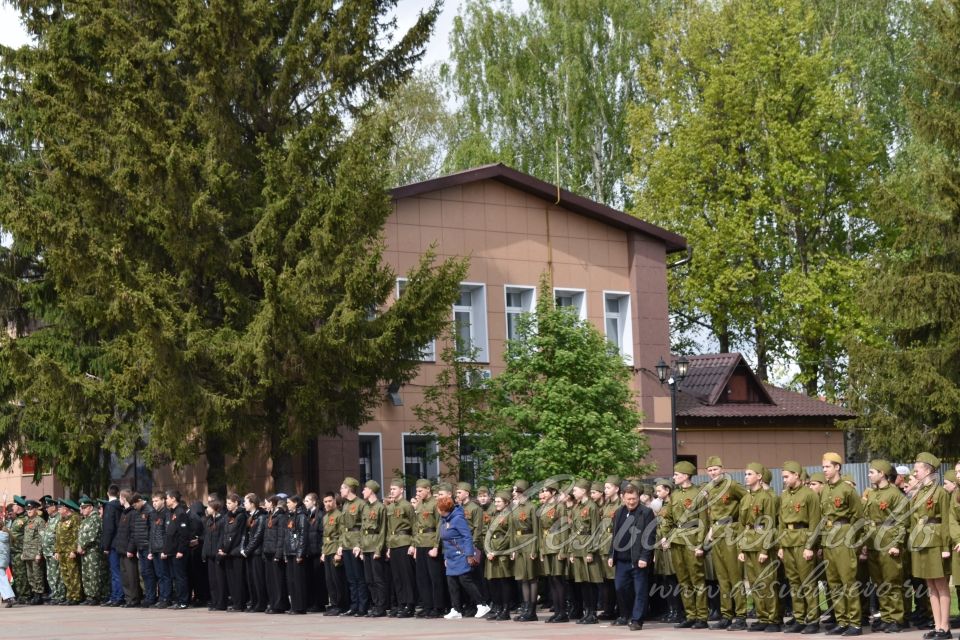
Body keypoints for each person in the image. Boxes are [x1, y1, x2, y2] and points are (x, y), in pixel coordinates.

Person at [820, 451, 864, 636]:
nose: (824, 470)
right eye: (823, 467)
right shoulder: (825, 490)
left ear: (837, 467)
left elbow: (858, 517)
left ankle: (855, 623)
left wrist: (853, 540)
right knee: (834, 583)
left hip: (844, 535)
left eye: (827, 467)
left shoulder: (847, 490)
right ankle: (842, 620)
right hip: (828, 538)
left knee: (848, 581)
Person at [700, 456, 747, 630]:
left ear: (722, 468)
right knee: (722, 578)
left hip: (731, 531)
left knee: (735, 576)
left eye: (715, 469)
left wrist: (740, 523)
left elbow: (747, 501)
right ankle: (726, 614)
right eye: (710, 470)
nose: (713, 473)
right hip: (717, 533)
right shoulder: (710, 488)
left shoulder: (732, 485)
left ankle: (741, 615)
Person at [909, 452, 952, 640]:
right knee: (930, 587)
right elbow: (912, 521)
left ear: (928, 470)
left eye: (917, 469)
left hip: (935, 543)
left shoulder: (940, 492)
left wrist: (945, 547)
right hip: (921, 543)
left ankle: (945, 627)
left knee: (941, 586)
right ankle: (937, 625)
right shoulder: (918, 493)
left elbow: (945, 522)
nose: (915, 472)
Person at [861, 459, 907, 633]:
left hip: (888, 541)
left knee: (892, 581)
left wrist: (897, 544)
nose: (869, 475)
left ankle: (896, 618)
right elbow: (866, 520)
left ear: (882, 474)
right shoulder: (871, 494)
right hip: (873, 542)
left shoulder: (895, 494)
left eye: (872, 472)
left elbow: (902, 521)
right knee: (879, 582)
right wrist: (865, 542)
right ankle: (886, 617)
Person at [777, 460, 822, 634]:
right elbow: (781, 521)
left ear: (797, 475)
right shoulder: (785, 495)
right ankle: (800, 618)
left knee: (808, 582)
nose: (785, 480)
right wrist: (781, 545)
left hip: (803, 540)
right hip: (788, 541)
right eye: (783, 477)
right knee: (794, 583)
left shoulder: (809, 494)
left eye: (787, 476)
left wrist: (810, 546)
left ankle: (813, 620)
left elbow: (815, 521)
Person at [664, 461, 708, 629]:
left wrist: (700, 545)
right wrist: (665, 536)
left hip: (692, 539)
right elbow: (668, 518)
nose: (674, 477)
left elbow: (704, 521)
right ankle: (690, 615)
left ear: (685, 475)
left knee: (697, 578)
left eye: (676, 474)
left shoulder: (698, 494)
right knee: (683, 580)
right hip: (677, 539)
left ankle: (702, 616)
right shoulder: (674, 495)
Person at [738, 463, 780, 632]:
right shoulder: (746, 498)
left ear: (759, 476)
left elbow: (770, 524)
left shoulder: (766, 497)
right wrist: (741, 548)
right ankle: (762, 617)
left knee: (767, 582)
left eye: (749, 474)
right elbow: (742, 524)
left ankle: (773, 619)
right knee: (755, 583)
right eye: (746, 473)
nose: (746, 477)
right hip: (748, 543)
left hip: (762, 541)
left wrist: (765, 549)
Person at [608, 482, 656, 631]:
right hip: (621, 559)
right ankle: (627, 614)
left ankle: (637, 620)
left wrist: (644, 557)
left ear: (638, 497)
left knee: (640, 590)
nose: (631, 501)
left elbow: (650, 537)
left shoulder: (646, 512)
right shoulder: (619, 512)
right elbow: (615, 535)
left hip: (638, 560)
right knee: (620, 588)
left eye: (634, 498)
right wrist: (611, 554)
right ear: (623, 497)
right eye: (628, 498)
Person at [437, 495, 489, 620]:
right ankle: (456, 609)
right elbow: (446, 540)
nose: (437, 510)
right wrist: (445, 557)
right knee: (452, 582)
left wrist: (469, 555)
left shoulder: (458, 519)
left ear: (444, 509)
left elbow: (467, 537)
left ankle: (482, 604)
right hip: (451, 556)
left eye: (439, 508)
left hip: (461, 555)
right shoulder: (445, 520)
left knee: (465, 580)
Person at [568, 477, 603, 625]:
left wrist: (591, 551)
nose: (573, 492)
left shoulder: (592, 507)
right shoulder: (576, 507)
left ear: (583, 491)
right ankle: (586, 611)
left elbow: (596, 530)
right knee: (582, 582)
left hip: (588, 545)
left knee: (590, 582)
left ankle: (592, 613)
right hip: (577, 546)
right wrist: (571, 550)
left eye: (575, 490)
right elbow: (572, 531)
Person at [410, 478, 444, 618]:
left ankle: (438, 607)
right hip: (421, 543)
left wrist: (436, 546)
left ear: (428, 489)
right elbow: (416, 527)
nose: (418, 493)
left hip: (431, 543)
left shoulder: (436, 504)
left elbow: (439, 525)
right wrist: (415, 546)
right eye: (417, 491)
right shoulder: (419, 505)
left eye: (420, 491)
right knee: (422, 578)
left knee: (434, 577)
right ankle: (427, 605)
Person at [338, 477, 369, 617]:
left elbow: (364, 526)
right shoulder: (344, 505)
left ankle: (362, 606)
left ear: (349, 489)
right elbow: (342, 527)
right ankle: (354, 605)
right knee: (350, 578)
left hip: (356, 542)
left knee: (359, 577)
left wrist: (360, 545)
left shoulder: (361, 504)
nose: (340, 490)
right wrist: (340, 544)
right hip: (346, 543)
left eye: (342, 488)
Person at [509, 479, 539, 621]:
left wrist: (534, 548)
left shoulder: (531, 507)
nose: (513, 493)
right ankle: (526, 607)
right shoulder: (514, 508)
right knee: (522, 578)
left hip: (529, 541)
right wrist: (513, 548)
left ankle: (532, 611)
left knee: (531, 577)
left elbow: (536, 530)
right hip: (519, 543)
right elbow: (513, 530)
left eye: (515, 490)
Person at [538, 479, 568, 623]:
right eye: (542, 491)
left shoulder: (559, 506)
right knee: (551, 580)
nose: (543, 493)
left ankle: (562, 612)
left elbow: (563, 528)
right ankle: (557, 611)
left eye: (545, 490)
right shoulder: (543, 507)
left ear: (553, 492)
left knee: (558, 579)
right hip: (546, 544)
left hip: (556, 544)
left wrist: (563, 550)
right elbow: (539, 530)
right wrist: (541, 549)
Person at [386, 479, 416, 618]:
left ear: (401, 490)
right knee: (396, 576)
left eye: (394, 489)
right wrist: (388, 546)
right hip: (393, 543)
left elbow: (414, 525)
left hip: (404, 541)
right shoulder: (390, 507)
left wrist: (413, 544)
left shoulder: (407, 506)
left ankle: (410, 604)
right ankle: (401, 603)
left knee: (406, 576)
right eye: (391, 489)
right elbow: (388, 528)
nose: (392, 491)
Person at [359, 480, 387, 617]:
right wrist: (361, 547)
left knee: (378, 579)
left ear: (371, 490)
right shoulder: (365, 507)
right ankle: (375, 605)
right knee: (369, 579)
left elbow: (382, 530)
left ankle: (381, 606)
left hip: (375, 544)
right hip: (366, 546)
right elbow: (362, 528)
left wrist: (378, 549)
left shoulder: (380, 507)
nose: (363, 492)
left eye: (365, 489)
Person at [162, 490, 191, 609]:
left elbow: (184, 534)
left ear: (173, 499)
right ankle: (179, 600)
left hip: (179, 552)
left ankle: (183, 601)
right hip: (172, 551)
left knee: (181, 577)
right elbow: (170, 534)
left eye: (167, 498)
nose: (166, 500)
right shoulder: (171, 512)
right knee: (176, 577)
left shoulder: (180, 513)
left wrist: (181, 550)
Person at [220, 493, 248, 611]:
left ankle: (240, 604)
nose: (227, 505)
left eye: (230, 503)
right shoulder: (228, 515)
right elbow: (225, 533)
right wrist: (222, 548)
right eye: (226, 503)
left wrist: (226, 549)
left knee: (238, 579)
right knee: (231, 579)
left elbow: (236, 534)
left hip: (235, 551)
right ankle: (235, 602)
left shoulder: (241, 516)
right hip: (228, 551)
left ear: (236, 503)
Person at [241, 493, 268, 613]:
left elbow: (258, 536)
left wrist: (247, 550)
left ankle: (260, 603)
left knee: (258, 579)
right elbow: (245, 535)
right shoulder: (249, 517)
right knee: (251, 579)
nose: (244, 505)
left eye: (246, 502)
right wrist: (243, 548)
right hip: (249, 553)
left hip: (256, 552)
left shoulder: (261, 517)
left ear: (252, 503)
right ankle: (254, 602)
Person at [262, 494, 288, 614]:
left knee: (278, 581)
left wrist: (278, 553)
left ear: (272, 503)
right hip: (268, 552)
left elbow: (281, 536)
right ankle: (272, 603)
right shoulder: (270, 515)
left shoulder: (281, 516)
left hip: (275, 553)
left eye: (266, 502)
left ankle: (279, 605)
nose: (265, 505)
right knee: (270, 580)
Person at [76, 496, 105, 606]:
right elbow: (81, 535)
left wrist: (82, 546)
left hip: (92, 551)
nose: (82, 510)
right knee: (86, 574)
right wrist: (79, 546)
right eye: (81, 508)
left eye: (84, 507)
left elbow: (92, 536)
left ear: (91, 507)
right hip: (85, 551)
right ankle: (89, 595)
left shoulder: (95, 518)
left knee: (93, 574)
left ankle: (95, 596)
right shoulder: (85, 520)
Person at [55, 499, 83, 605]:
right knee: (65, 575)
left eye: (60, 508)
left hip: (70, 551)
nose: (58, 510)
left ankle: (76, 596)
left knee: (73, 574)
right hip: (62, 551)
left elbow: (77, 535)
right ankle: (70, 595)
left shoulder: (75, 518)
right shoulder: (61, 520)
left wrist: (73, 550)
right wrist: (56, 550)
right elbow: (57, 536)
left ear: (66, 508)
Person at [284, 495, 309, 614]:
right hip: (290, 552)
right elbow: (287, 536)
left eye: (289, 502)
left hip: (296, 552)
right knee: (291, 580)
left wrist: (300, 553)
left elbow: (303, 536)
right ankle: (294, 605)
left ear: (295, 503)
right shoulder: (290, 516)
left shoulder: (301, 516)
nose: (287, 504)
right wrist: (285, 553)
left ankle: (300, 606)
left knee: (298, 581)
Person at [131, 494, 156, 607]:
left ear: (140, 501)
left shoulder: (149, 511)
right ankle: (148, 596)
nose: (134, 506)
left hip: (147, 547)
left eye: (135, 504)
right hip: (140, 547)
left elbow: (152, 532)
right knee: (144, 573)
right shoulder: (138, 511)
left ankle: (151, 597)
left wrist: (151, 549)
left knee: (148, 573)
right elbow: (136, 530)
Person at [148, 491, 172, 608]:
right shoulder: (152, 514)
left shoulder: (166, 514)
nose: (154, 503)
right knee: (158, 574)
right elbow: (151, 533)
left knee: (164, 574)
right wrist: (150, 550)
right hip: (155, 549)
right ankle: (161, 597)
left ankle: (166, 598)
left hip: (162, 548)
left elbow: (167, 533)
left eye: (156, 501)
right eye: (153, 501)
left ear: (163, 500)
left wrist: (165, 550)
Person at [202, 495, 226, 611]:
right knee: (212, 580)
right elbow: (207, 538)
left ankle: (221, 602)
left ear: (215, 508)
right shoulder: (209, 521)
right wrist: (204, 552)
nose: (207, 509)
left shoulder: (222, 521)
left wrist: (219, 550)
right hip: (210, 554)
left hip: (217, 554)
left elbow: (222, 537)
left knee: (219, 579)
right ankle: (214, 600)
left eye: (209, 507)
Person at [20, 499, 46, 604]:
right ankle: (34, 593)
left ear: (35, 509)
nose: (29, 510)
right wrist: (23, 552)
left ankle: (39, 595)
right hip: (27, 553)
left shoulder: (39, 521)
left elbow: (41, 538)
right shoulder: (27, 521)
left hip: (35, 553)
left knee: (37, 575)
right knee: (30, 576)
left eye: (31, 508)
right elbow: (26, 539)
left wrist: (39, 553)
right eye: (27, 509)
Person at [101, 485, 123, 606]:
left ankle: (116, 597)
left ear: (108, 493)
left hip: (113, 544)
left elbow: (109, 528)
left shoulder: (109, 506)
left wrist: (106, 546)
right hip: (120, 542)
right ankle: (118, 595)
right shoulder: (120, 506)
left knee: (115, 572)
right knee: (119, 571)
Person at [0, 517, 14, 607]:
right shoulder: (4, 535)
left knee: (2, 580)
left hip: (0, 561)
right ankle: (9, 597)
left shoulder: (1, 536)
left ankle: (9, 597)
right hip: (3, 560)